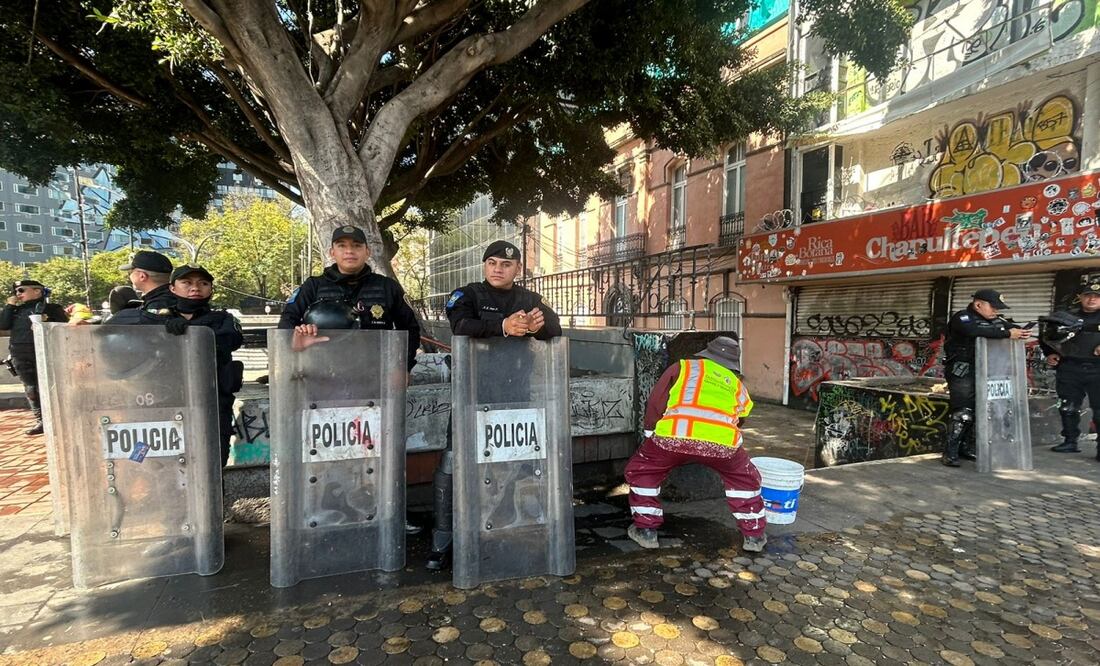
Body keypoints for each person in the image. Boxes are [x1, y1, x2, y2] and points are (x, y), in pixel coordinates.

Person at [426, 239, 563, 570]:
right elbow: (460, 326)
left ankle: (506, 527)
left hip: (516, 396)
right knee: (454, 464)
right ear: (484, 266)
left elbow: (556, 330)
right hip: (472, 394)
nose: (498, 269)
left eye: (506, 264)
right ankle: (444, 538)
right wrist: (503, 326)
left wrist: (538, 326)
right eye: (492, 263)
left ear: (518, 269)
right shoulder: (468, 294)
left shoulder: (530, 299)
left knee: (515, 464)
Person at [623, 336, 765, 552]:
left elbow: (655, 401)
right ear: (733, 364)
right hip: (722, 445)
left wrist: (651, 432)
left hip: (672, 438)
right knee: (745, 480)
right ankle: (754, 536)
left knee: (643, 470)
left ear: (706, 353)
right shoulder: (737, 385)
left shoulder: (683, 368)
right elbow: (740, 418)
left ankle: (646, 531)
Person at [110, 265, 244, 466]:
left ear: (211, 289)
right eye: (187, 283)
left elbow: (229, 340)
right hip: (159, 407)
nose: (195, 288)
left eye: (203, 283)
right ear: (172, 288)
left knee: (212, 464)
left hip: (210, 407)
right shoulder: (151, 317)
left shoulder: (223, 320)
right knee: (146, 462)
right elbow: (109, 338)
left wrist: (189, 331)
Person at [278, 225, 421, 371]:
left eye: (357, 245)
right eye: (341, 246)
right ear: (332, 252)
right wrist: (294, 341)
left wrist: (403, 368)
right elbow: (286, 322)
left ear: (367, 252)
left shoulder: (388, 287)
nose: (349, 251)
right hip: (321, 374)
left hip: (375, 374)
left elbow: (410, 330)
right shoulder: (313, 286)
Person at [941, 288, 1032, 467]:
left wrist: (1020, 332)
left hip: (988, 371)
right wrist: (1007, 333)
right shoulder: (963, 318)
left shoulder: (997, 321)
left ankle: (965, 448)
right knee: (963, 412)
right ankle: (950, 452)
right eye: (994, 307)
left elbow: (1011, 329)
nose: (996, 311)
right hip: (963, 371)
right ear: (978, 304)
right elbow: (973, 331)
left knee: (980, 410)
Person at [0, 280, 69, 434]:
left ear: (37, 291)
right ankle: (41, 421)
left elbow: (64, 325)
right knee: (30, 388)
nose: (18, 294)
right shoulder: (15, 310)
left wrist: (47, 321)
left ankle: (57, 418)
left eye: (22, 290)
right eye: (16, 291)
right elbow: (3, 325)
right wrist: (10, 306)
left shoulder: (51, 308)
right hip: (20, 353)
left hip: (44, 351)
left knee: (49, 386)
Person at [1041, 281, 1100, 458]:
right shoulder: (1066, 316)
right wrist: (1050, 353)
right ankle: (1070, 441)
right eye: (1088, 295)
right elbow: (1047, 336)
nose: (1092, 299)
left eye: (1097, 296)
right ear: (1080, 297)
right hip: (1070, 367)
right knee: (1068, 407)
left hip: (1098, 370)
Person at [108, 251, 175, 323]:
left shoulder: (155, 306)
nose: (129, 276)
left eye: (130, 272)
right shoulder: (177, 300)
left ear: (142, 276)